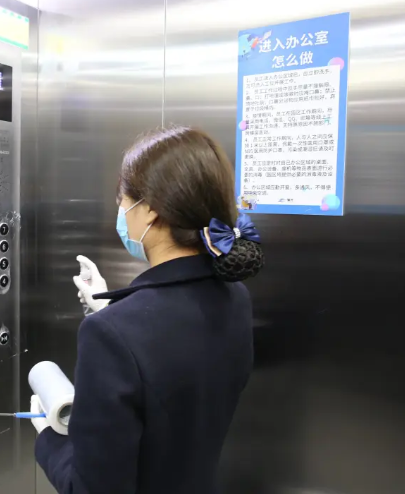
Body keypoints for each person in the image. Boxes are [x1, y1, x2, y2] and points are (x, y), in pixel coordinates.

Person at [31, 126, 264, 494]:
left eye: (123, 200)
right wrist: (111, 307)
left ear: (151, 210)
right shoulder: (235, 296)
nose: (121, 211)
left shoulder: (109, 336)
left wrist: (49, 438)